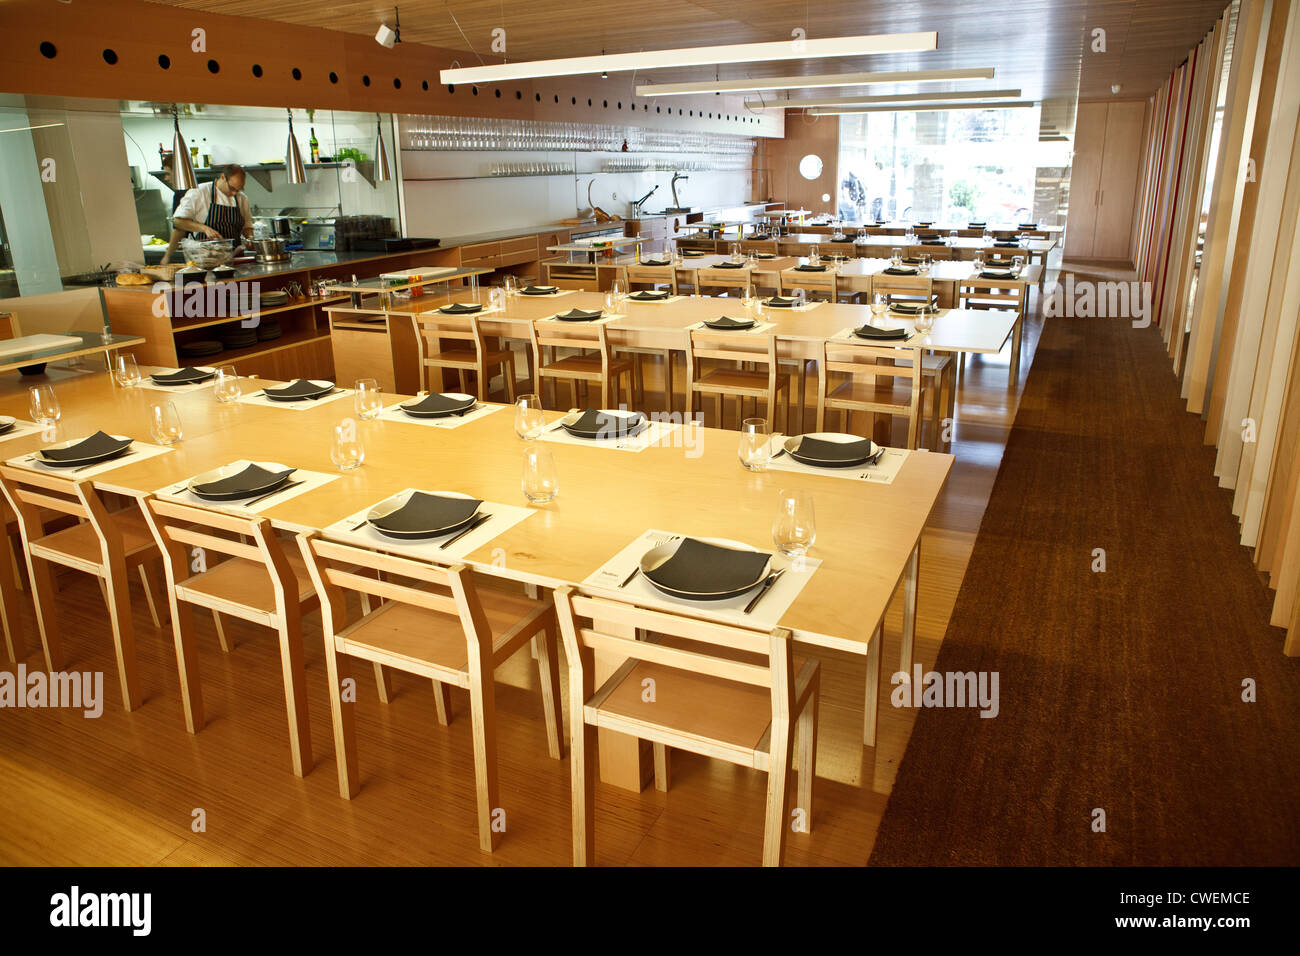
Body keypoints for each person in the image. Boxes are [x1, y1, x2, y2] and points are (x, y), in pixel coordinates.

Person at [161, 163, 253, 263]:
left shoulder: (242, 198)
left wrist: (250, 239)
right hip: (207, 260)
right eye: (232, 188)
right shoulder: (199, 192)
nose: (234, 193)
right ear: (223, 177)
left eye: (238, 189)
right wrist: (204, 228)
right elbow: (178, 222)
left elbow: (247, 226)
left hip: (235, 259)